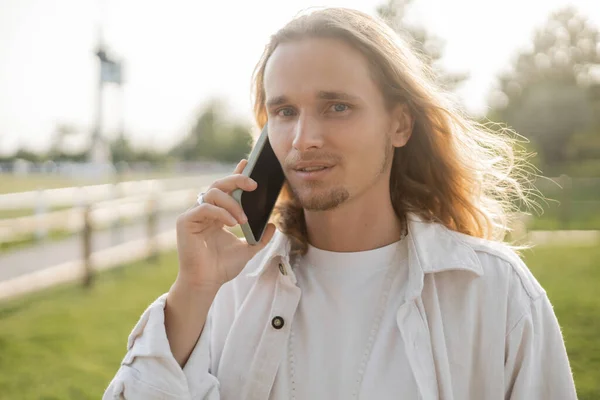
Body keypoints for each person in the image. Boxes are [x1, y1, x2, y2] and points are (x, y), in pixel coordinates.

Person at [103, 7, 577, 400]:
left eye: (337, 107)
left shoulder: (494, 291)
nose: (303, 139)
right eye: (285, 112)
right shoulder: (225, 289)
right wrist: (193, 290)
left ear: (399, 125)